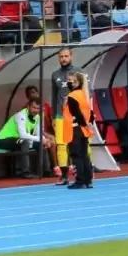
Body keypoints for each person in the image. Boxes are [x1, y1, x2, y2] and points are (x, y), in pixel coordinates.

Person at [0, 98, 51, 178]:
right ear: (28, 107)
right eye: (34, 107)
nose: (36, 110)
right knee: (25, 142)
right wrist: (40, 139)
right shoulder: (21, 115)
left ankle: (47, 171)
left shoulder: (38, 117)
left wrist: (44, 140)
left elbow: (38, 133)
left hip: (19, 140)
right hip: (4, 140)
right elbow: (23, 135)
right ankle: (25, 172)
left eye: (38, 108)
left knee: (40, 144)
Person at [49, 46, 79, 185]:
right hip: (61, 115)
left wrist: (87, 115)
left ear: (71, 56)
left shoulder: (79, 72)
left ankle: (83, 173)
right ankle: (64, 176)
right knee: (61, 145)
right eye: (61, 57)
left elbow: (87, 94)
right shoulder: (55, 75)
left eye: (66, 56)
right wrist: (54, 116)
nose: (63, 59)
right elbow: (54, 97)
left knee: (78, 144)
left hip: (75, 115)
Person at [64, 70, 93, 189]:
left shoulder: (72, 96)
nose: (69, 83)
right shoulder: (84, 94)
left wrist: (83, 123)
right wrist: (87, 124)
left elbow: (76, 113)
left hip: (75, 129)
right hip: (83, 130)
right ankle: (88, 180)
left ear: (76, 82)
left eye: (71, 81)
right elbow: (90, 113)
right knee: (84, 155)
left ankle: (80, 180)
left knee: (76, 155)